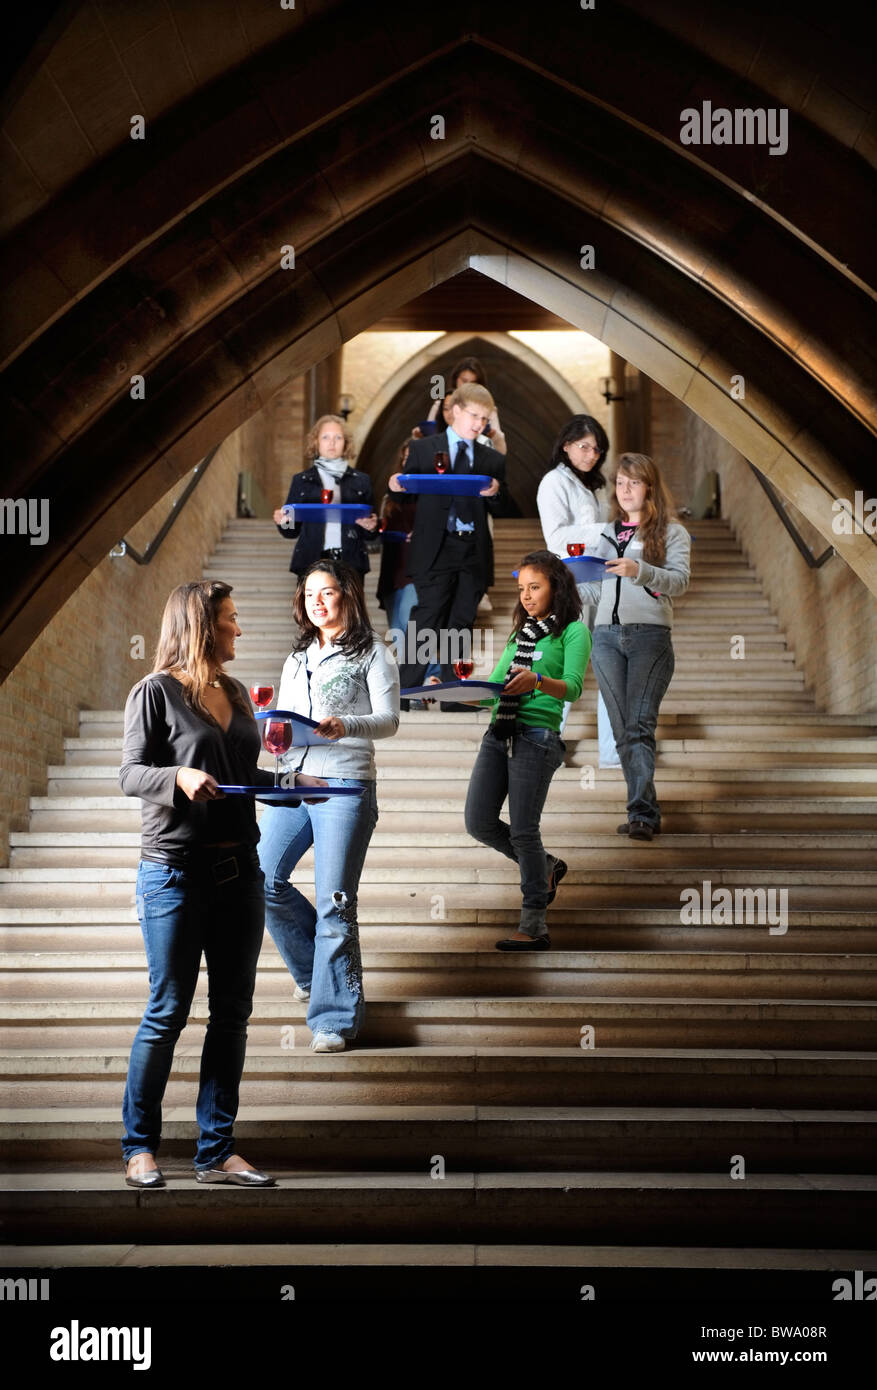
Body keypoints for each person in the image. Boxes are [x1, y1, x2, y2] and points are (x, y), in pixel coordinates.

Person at [118, 580, 306, 1189]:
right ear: (201, 625)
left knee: (232, 1014)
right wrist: (178, 776)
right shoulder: (155, 693)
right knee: (167, 1011)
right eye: (230, 619)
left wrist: (282, 783)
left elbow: (239, 773)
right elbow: (130, 774)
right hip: (174, 873)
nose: (239, 630)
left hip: (239, 873)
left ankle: (216, 1151)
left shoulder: (234, 693)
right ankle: (139, 1147)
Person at [257, 560, 400, 1052]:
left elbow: (389, 719)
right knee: (262, 879)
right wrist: (272, 737)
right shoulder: (297, 657)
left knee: (335, 904)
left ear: (347, 596)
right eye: (310, 593)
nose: (318, 601)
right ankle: (312, 972)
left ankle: (333, 1019)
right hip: (295, 779)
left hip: (345, 782)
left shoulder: (372, 651)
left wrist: (347, 724)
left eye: (328, 592)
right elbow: (287, 721)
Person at [463, 551, 590, 950]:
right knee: (477, 821)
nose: (527, 597)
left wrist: (536, 680)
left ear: (557, 586)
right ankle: (547, 867)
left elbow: (572, 687)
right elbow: (496, 689)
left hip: (537, 735)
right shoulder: (520, 635)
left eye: (535, 587)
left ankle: (534, 925)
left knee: (522, 831)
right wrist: (456, 693)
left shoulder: (573, 631)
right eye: (522, 589)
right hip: (499, 732)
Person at [576, 453, 691, 841]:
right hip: (606, 637)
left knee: (639, 726)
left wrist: (639, 570)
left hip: (650, 637)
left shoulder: (672, 533)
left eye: (634, 482)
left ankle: (642, 813)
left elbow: (678, 582)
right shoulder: (606, 534)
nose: (625, 490)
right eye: (620, 483)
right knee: (625, 728)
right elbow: (598, 588)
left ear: (649, 488)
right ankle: (643, 809)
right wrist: (565, 584)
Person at [389, 382, 506, 704]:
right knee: (427, 617)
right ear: (455, 411)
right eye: (473, 415)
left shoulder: (491, 458)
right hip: (435, 548)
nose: (479, 424)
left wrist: (496, 492)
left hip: (474, 549)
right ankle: (404, 694)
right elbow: (406, 492)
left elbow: (501, 506)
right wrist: (395, 485)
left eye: (484, 419)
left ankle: (455, 696)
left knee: (462, 621)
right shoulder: (425, 449)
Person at [536, 414, 617, 765]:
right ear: (566, 445)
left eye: (597, 449)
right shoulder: (553, 482)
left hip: (605, 581)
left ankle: (613, 753)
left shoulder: (597, 485)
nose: (591, 454)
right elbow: (555, 538)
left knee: (611, 666)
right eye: (583, 446)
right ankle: (546, 742)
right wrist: (607, 532)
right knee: (568, 666)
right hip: (573, 584)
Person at [274, 415, 377, 576]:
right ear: (316, 442)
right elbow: (290, 531)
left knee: (350, 603)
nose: (332, 442)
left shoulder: (362, 481)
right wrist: (283, 522)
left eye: (338, 437)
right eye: (325, 437)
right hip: (311, 561)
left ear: (346, 443)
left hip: (351, 561)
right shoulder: (301, 480)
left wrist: (372, 526)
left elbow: (371, 533)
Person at [413, 356, 507, 454]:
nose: (467, 386)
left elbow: (501, 451)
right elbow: (427, 438)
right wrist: (419, 435)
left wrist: (494, 437)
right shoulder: (439, 405)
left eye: (473, 383)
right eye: (464, 381)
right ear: (456, 380)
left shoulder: (489, 410)